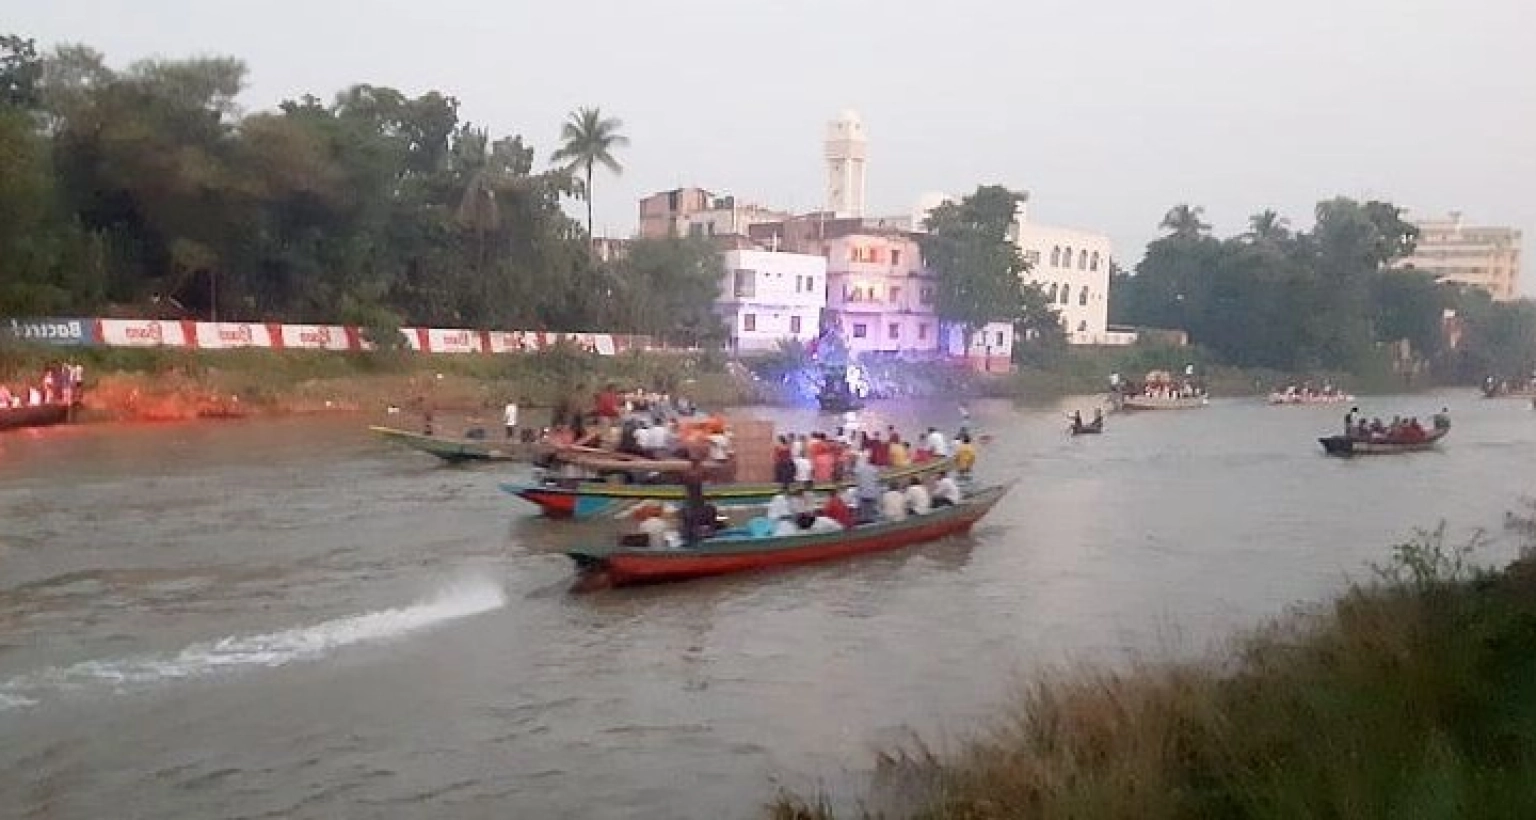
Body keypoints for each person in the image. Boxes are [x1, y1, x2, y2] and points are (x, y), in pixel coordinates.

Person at [854, 452, 882, 524]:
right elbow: (877, 479)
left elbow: (855, 476)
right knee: (870, 511)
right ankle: (870, 521)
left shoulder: (860, 468)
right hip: (872, 493)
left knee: (863, 510)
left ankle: (864, 521)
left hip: (862, 493)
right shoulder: (874, 469)